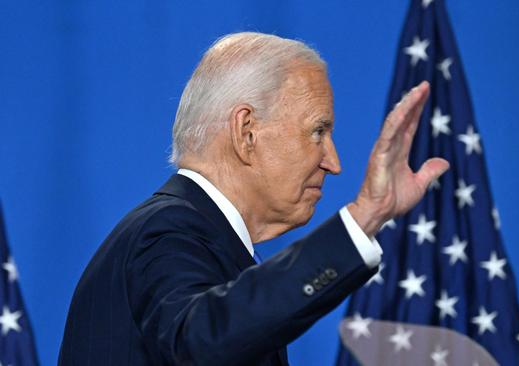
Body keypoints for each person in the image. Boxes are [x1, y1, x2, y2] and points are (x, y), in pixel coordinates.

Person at [58, 32, 449, 365]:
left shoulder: (207, 244)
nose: (334, 162)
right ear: (246, 132)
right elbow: (203, 340)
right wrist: (365, 215)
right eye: (318, 131)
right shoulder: (167, 231)